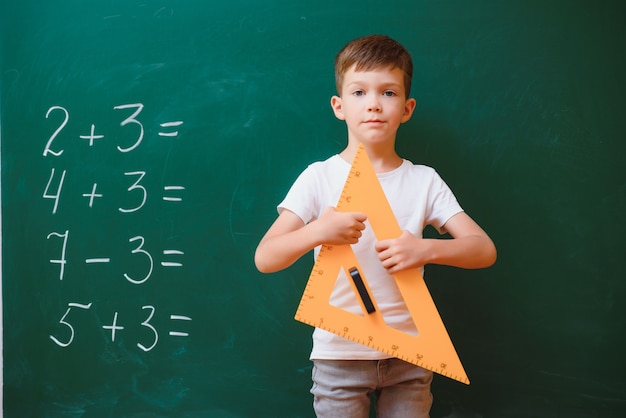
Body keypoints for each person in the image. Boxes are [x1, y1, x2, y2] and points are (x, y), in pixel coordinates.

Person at [254, 34, 497, 418]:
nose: (373, 104)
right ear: (338, 106)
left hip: (411, 356)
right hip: (338, 356)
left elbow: (483, 249)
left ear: (407, 107)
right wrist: (319, 231)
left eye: (388, 92)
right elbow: (265, 258)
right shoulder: (319, 178)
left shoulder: (424, 181)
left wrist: (426, 250)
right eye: (359, 92)